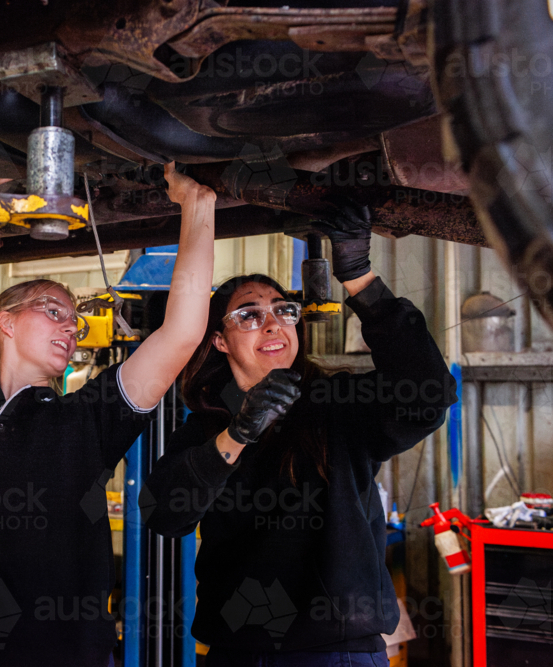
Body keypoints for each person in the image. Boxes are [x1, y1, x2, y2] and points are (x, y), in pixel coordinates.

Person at [0, 163, 217, 666]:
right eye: (53, 311)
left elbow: (182, 333)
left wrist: (197, 205)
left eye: (76, 323)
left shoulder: (90, 419)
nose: (72, 328)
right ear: (6, 323)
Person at [143, 202, 456, 667]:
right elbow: (165, 513)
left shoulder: (339, 405)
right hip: (237, 651)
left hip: (337, 651)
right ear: (219, 341)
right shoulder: (207, 426)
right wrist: (238, 433)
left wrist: (361, 280)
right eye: (247, 315)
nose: (272, 323)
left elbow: (430, 394)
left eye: (283, 310)